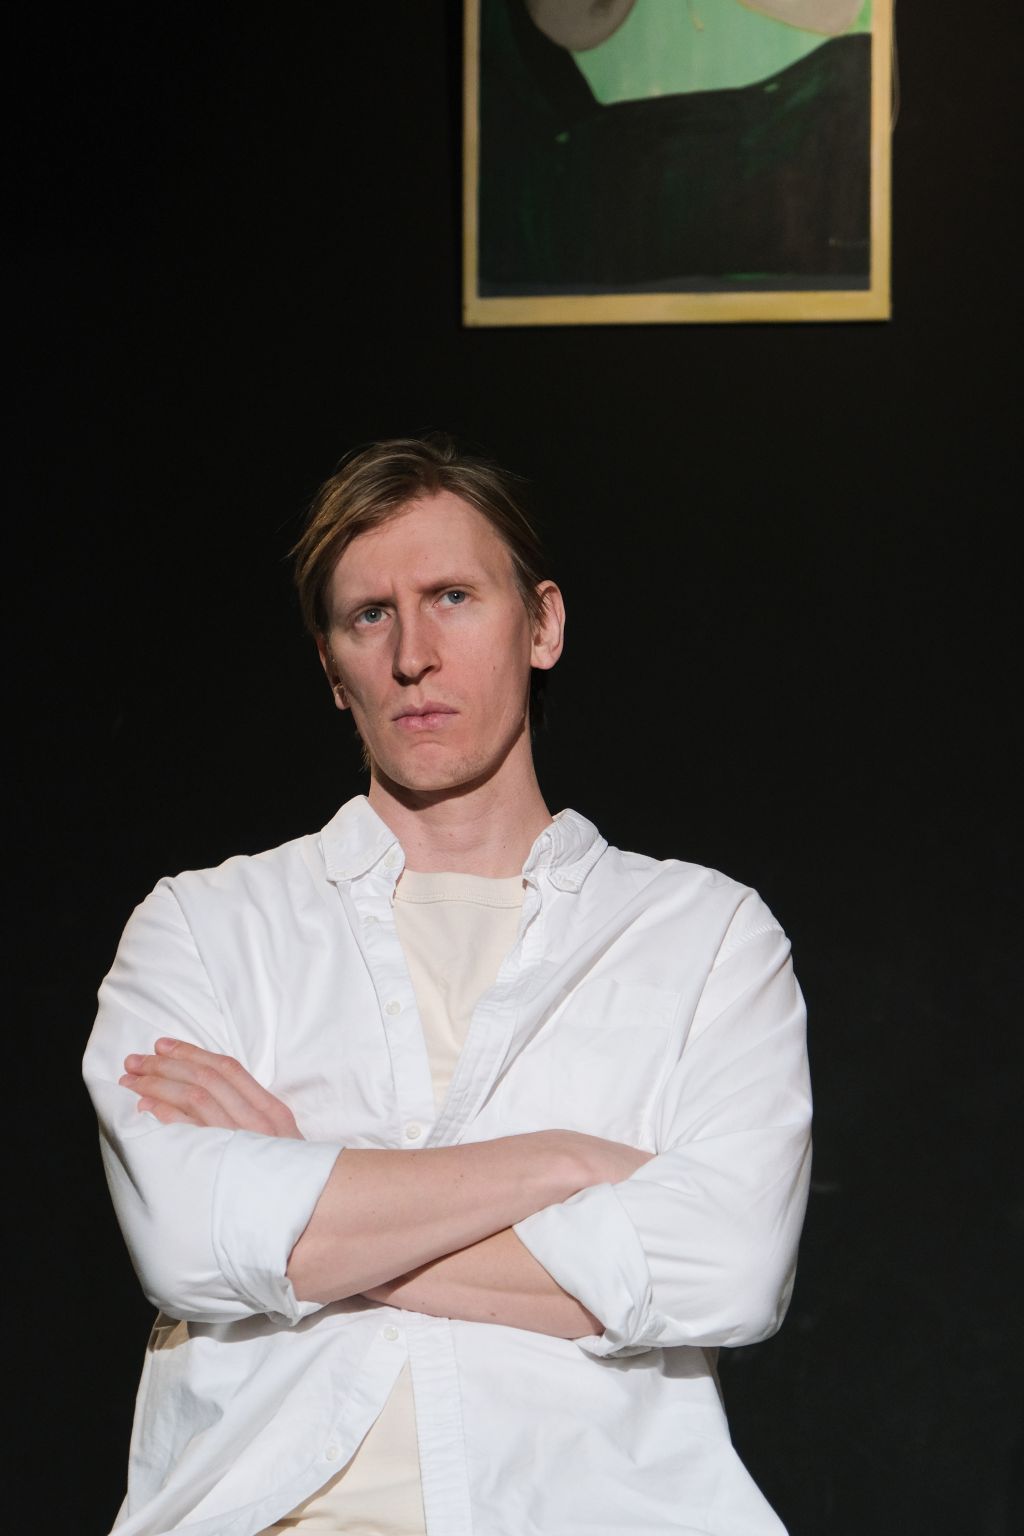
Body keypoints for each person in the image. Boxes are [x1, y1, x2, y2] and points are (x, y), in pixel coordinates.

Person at [84, 434, 812, 1536]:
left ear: (542, 626)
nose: (413, 654)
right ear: (332, 668)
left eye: (453, 598)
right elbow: (192, 1240)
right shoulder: (205, 927)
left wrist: (310, 1200)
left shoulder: (703, 937)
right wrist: (558, 1163)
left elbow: (730, 1265)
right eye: (369, 615)